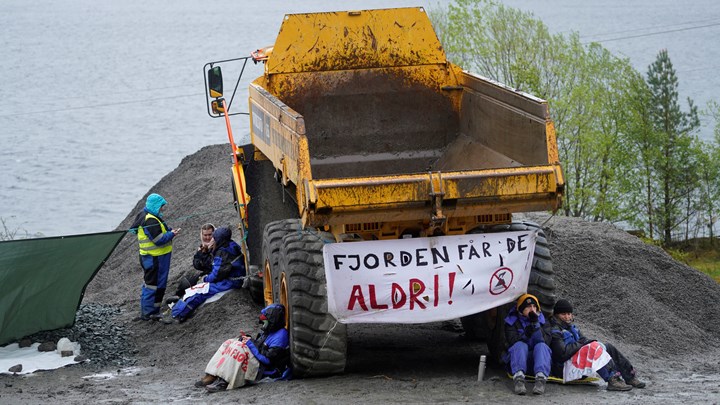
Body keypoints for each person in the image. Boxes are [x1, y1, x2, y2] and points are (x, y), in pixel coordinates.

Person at [549, 299, 646, 391]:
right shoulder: (555, 331)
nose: (567, 317)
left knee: (607, 346)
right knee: (592, 348)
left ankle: (629, 377)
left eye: (569, 314)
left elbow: (584, 341)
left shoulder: (573, 328)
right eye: (563, 314)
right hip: (564, 369)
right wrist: (581, 343)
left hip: (577, 364)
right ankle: (612, 379)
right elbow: (562, 354)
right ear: (556, 315)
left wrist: (587, 344)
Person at [196, 303, 291, 392]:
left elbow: (268, 360)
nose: (262, 324)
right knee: (229, 343)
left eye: (264, 321)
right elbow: (258, 345)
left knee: (238, 348)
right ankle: (212, 374)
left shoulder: (281, 335)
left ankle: (224, 382)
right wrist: (247, 339)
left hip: (266, 369)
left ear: (272, 320)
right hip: (259, 361)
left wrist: (250, 343)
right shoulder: (269, 331)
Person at [164, 226, 245, 323]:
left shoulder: (222, 252)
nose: (210, 239)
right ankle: (176, 306)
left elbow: (217, 273)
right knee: (193, 286)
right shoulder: (229, 246)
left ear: (218, 238)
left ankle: (176, 315)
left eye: (212, 236)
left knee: (198, 292)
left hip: (229, 282)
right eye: (206, 235)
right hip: (231, 279)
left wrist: (205, 279)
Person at [130, 193, 181, 321]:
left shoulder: (148, 215)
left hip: (154, 258)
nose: (162, 209)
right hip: (155, 258)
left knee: (154, 284)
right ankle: (148, 313)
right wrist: (171, 234)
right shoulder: (150, 219)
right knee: (153, 285)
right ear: (155, 206)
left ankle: (153, 311)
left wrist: (168, 231)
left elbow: (159, 230)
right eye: (161, 206)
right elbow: (158, 239)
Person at [503, 293, 552, 395]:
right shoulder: (512, 322)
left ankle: (540, 380)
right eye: (528, 307)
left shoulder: (543, 322)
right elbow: (512, 341)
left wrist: (536, 325)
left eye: (534, 306)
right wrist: (526, 334)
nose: (532, 309)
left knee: (541, 346)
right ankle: (519, 380)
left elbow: (546, 341)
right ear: (521, 309)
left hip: (538, 362)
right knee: (520, 345)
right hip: (517, 362)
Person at [172, 223, 215, 298]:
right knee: (185, 282)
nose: (207, 237)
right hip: (206, 272)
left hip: (213, 274)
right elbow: (196, 265)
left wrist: (202, 255)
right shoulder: (203, 246)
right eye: (205, 235)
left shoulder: (217, 246)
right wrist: (200, 253)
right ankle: (176, 299)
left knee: (193, 287)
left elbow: (210, 264)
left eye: (210, 234)